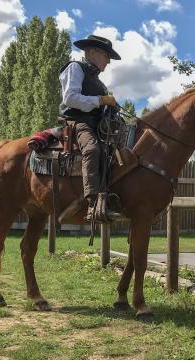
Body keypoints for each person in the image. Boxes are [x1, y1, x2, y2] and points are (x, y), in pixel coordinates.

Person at [58, 35, 123, 221]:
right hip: (77, 122)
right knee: (92, 149)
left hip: (95, 124)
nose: (109, 61)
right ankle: (93, 203)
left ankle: (109, 197)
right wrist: (101, 100)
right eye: (106, 55)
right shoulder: (75, 68)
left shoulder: (98, 81)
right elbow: (70, 98)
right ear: (92, 52)